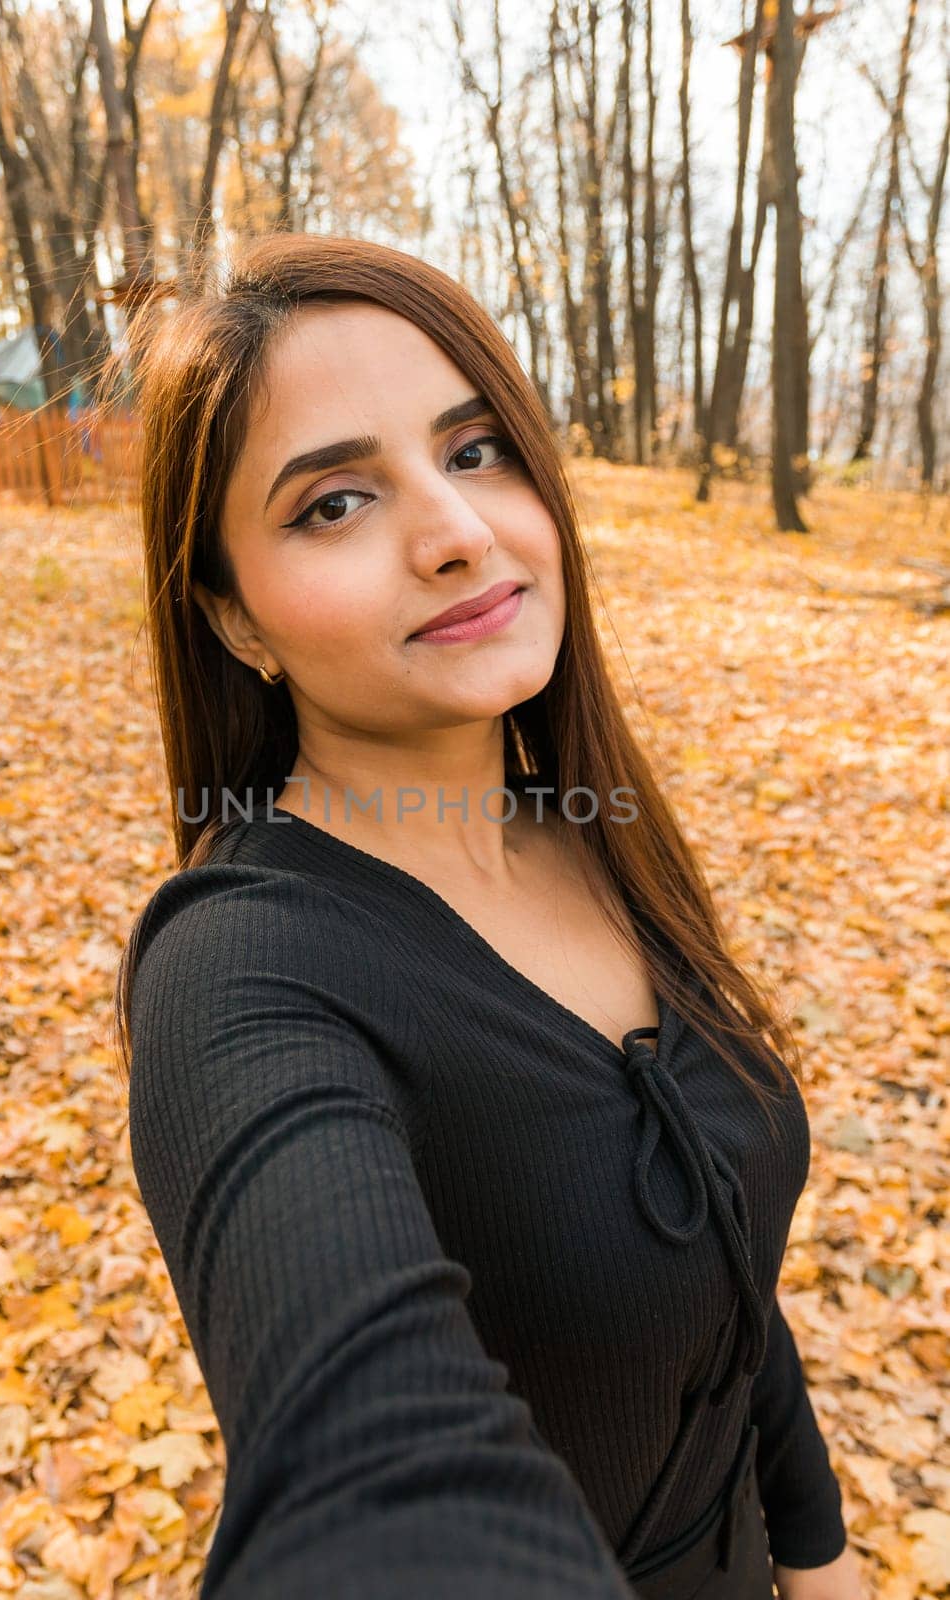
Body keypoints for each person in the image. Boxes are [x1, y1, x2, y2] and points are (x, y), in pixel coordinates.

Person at [113, 232, 864, 1599]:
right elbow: (367, 1461)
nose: (458, 535)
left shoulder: (592, 836)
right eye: (333, 502)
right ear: (235, 619)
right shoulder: (238, 972)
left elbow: (726, 1274)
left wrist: (816, 1553)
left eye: (474, 452)